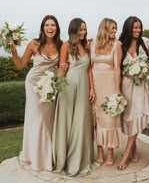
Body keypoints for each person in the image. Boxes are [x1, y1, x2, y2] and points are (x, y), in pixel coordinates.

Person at [10, 15, 62, 171]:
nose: (50, 28)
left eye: (53, 25)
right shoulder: (34, 44)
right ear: (43, 27)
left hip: (50, 86)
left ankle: (48, 156)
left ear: (57, 28)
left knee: (48, 121)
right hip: (33, 84)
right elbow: (20, 65)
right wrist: (13, 51)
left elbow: (65, 64)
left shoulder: (61, 45)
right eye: (47, 25)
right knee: (37, 119)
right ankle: (38, 158)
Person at [52, 18, 97, 176]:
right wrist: (59, 83)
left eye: (85, 29)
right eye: (81, 30)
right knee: (68, 122)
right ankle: (66, 159)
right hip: (69, 87)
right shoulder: (66, 45)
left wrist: (92, 88)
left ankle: (80, 159)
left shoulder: (85, 46)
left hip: (84, 88)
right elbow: (61, 69)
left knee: (81, 122)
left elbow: (89, 69)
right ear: (74, 30)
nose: (83, 33)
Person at [118, 16, 149, 170]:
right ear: (128, 28)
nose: (138, 30)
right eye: (135, 28)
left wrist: (143, 72)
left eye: (139, 27)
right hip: (126, 86)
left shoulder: (146, 43)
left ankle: (126, 153)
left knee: (137, 116)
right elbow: (116, 67)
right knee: (127, 119)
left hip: (141, 87)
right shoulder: (120, 45)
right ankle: (134, 149)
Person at [90, 18, 122, 167]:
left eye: (116, 28)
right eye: (112, 28)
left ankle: (110, 153)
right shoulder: (93, 44)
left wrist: (117, 90)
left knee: (109, 119)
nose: (115, 31)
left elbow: (117, 68)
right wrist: (90, 87)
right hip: (95, 85)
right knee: (96, 118)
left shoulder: (117, 45)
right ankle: (99, 152)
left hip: (109, 84)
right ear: (104, 28)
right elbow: (89, 67)